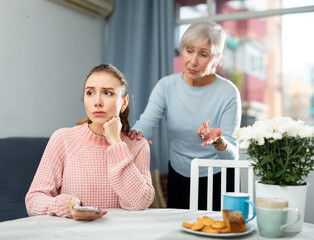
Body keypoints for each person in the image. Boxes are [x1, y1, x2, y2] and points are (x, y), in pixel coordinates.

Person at [129, 21, 241, 210]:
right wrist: (133, 137)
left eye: (203, 54)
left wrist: (218, 141)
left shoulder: (229, 92)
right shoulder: (166, 86)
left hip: (217, 177)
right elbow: (146, 124)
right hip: (179, 174)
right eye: (189, 51)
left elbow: (232, 157)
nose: (193, 61)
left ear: (216, 59)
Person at [25, 64, 155, 221]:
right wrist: (66, 206)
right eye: (90, 93)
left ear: (124, 102)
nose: (97, 102)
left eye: (107, 93)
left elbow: (139, 203)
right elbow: (33, 201)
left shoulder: (138, 146)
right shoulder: (63, 139)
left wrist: (115, 143)